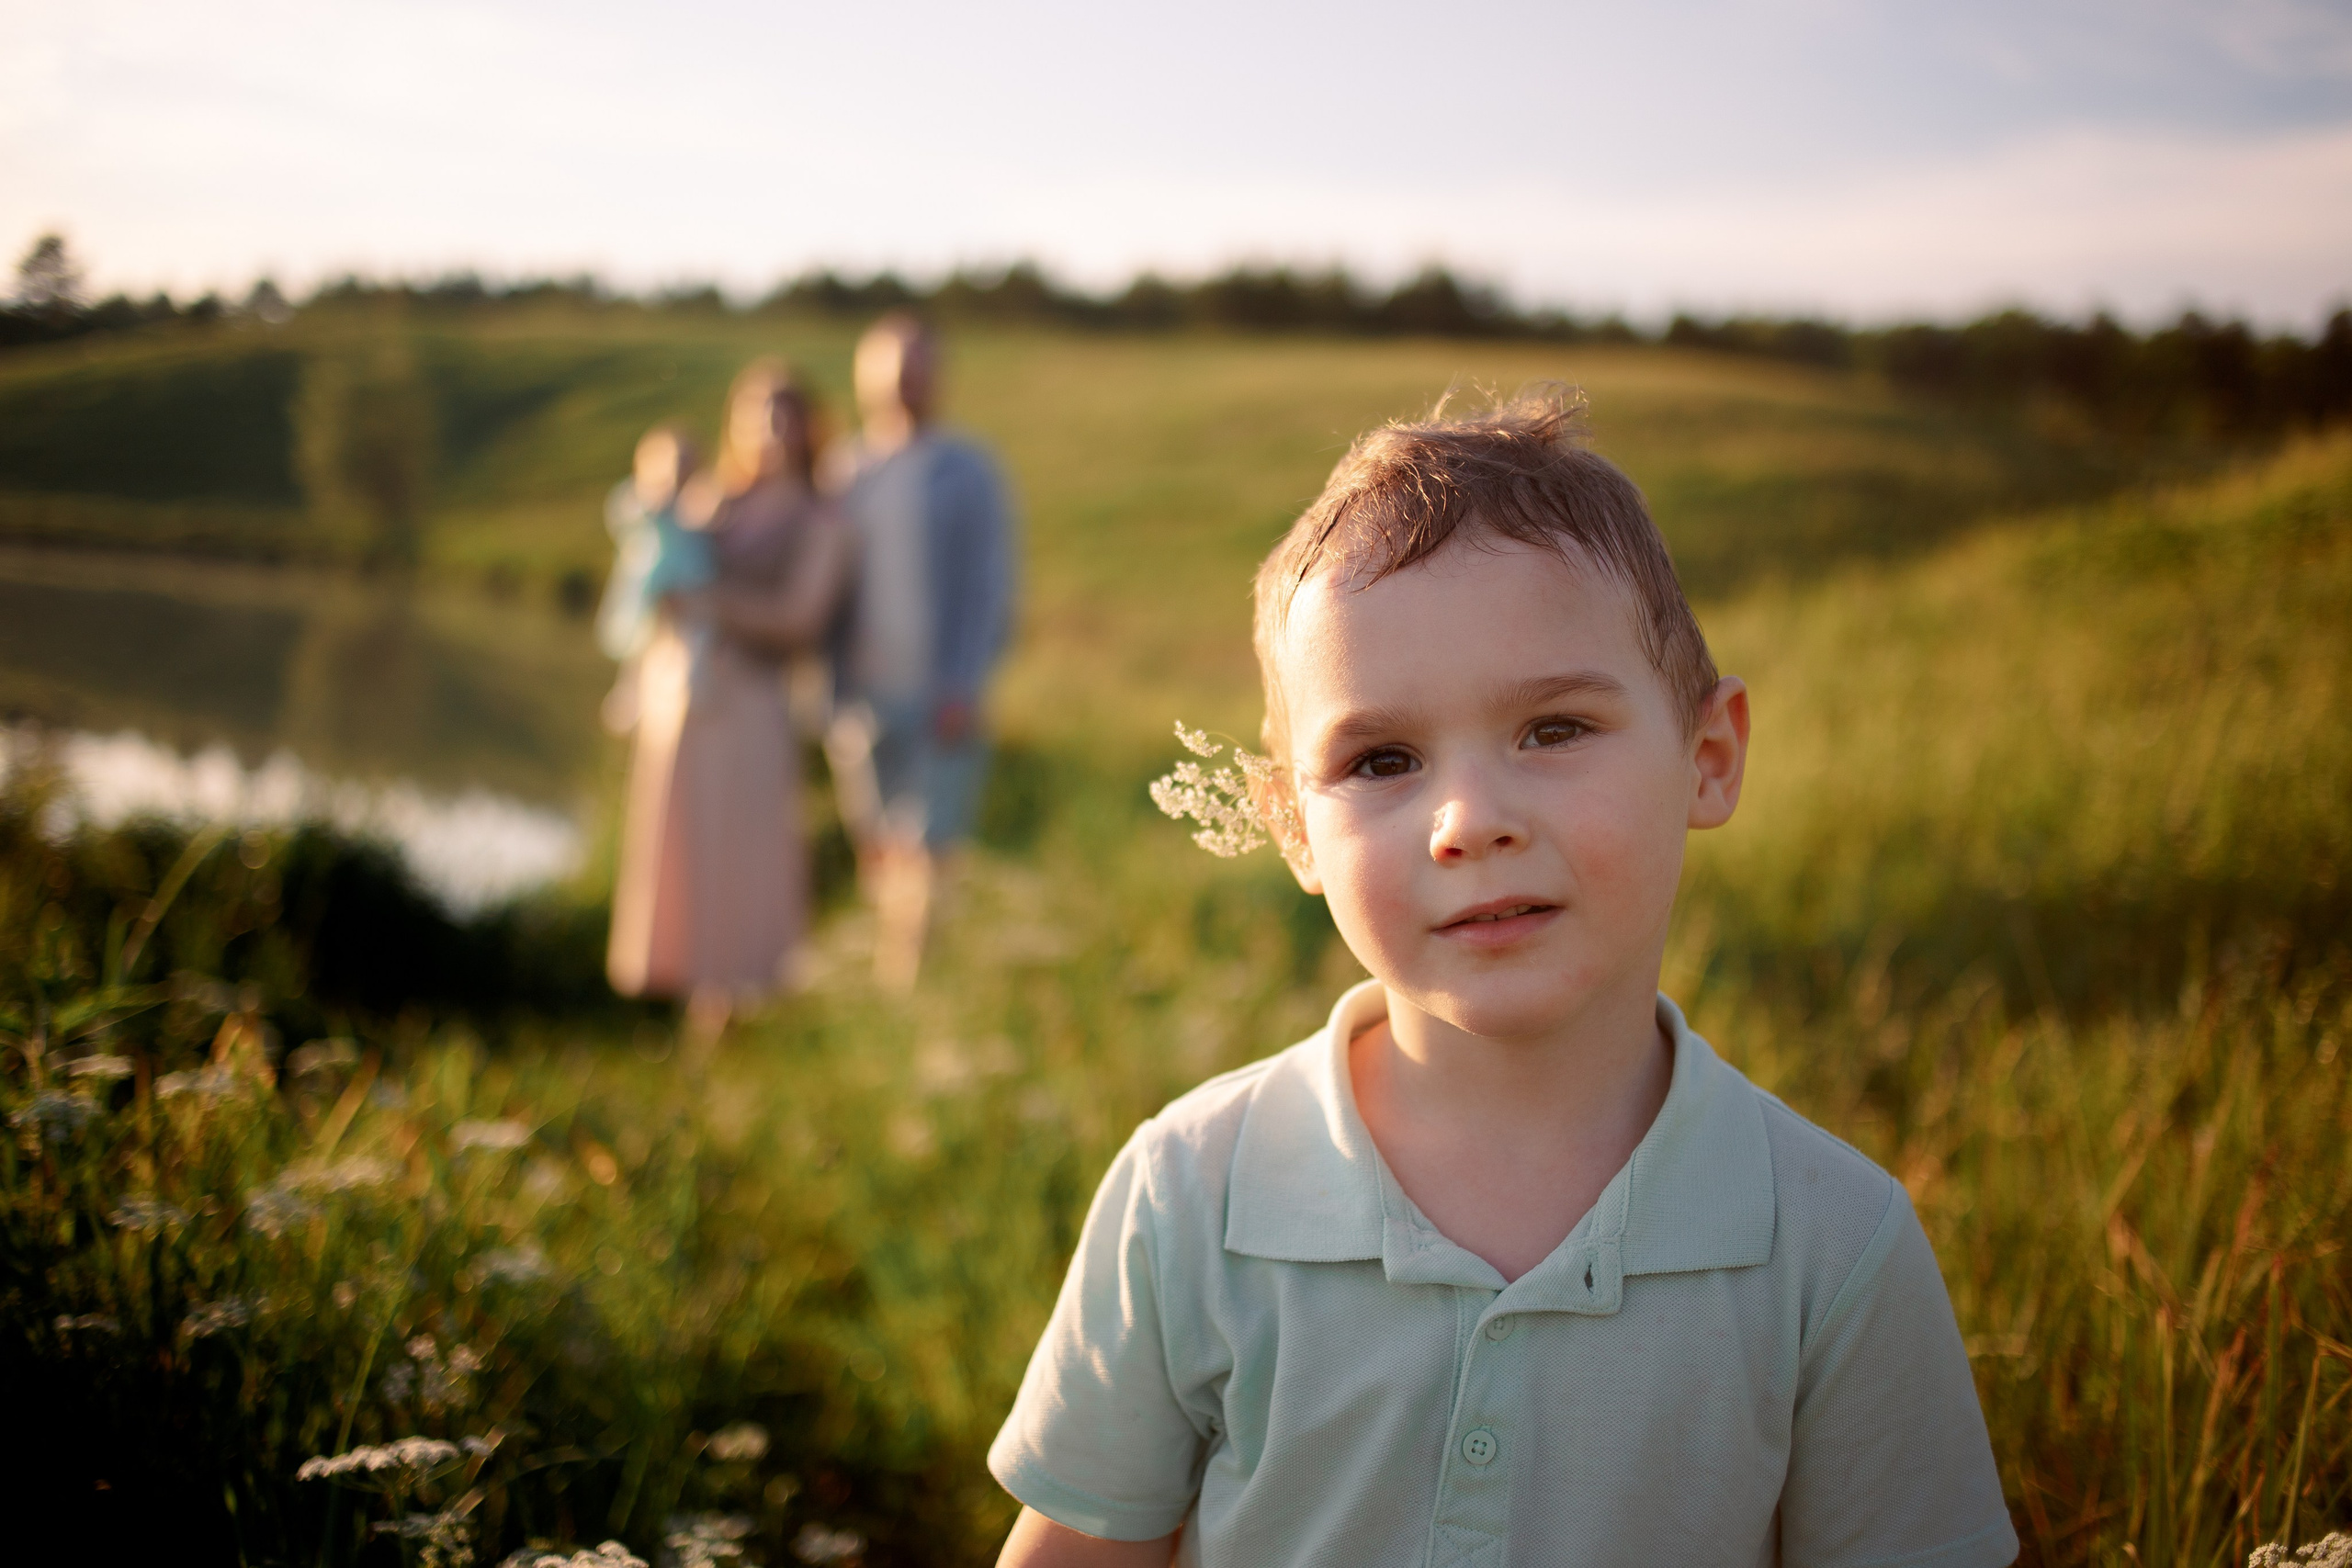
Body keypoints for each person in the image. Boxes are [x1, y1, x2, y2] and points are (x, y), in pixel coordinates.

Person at [989, 390, 2017, 1566]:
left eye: (1554, 729)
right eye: (1383, 760)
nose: (1468, 821)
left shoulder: (1829, 1245)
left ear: (1709, 756)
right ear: (1291, 831)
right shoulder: (1193, 1193)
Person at [605, 360, 851, 1040]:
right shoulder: (712, 498)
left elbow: (800, 620)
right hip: (679, 704)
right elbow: (652, 555)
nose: (768, 426)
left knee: (737, 865)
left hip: (750, 708)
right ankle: (691, 1019)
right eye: (755, 410)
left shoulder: (821, 516)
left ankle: (732, 1027)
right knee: (683, 859)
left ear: (807, 426)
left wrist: (714, 602)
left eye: (783, 412)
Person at [825, 311, 1017, 990]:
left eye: (917, 369)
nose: (904, 383)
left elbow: (989, 586)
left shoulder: (968, 471)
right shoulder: (844, 471)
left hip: (942, 697)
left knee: (929, 847)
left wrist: (964, 685)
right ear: (865, 378)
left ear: (937, 377)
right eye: (891, 370)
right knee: (878, 845)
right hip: (860, 696)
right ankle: (894, 977)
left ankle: (909, 985)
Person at [597, 423, 716, 697]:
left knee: (695, 631)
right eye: (672, 461)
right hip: (646, 580)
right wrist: (651, 502)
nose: (677, 470)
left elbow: (702, 531)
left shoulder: (693, 501)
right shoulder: (638, 495)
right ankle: (628, 690)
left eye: (686, 462)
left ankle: (694, 675)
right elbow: (620, 518)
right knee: (639, 638)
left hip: (684, 576)